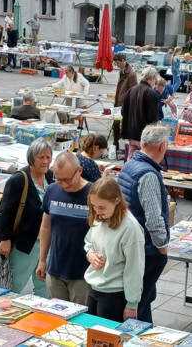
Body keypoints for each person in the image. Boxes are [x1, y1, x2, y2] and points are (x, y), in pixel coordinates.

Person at [116, 125, 171, 323]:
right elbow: (154, 218)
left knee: (141, 299)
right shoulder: (148, 174)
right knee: (140, 302)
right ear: (163, 146)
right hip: (146, 248)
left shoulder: (130, 164)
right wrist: (162, 247)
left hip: (130, 242)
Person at [84, 176, 146, 322]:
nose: (97, 211)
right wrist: (90, 254)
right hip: (94, 288)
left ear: (117, 201)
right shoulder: (100, 218)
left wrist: (132, 304)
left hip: (114, 295)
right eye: (93, 206)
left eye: (101, 207)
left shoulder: (130, 228)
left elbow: (135, 269)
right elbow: (88, 241)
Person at [0, 139, 54, 296]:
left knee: (45, 287)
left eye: (48, 157)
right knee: (14, 286)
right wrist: (5, 238)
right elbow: (5, 210)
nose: (45, 161)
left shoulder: (50, 177)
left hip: (45, 244)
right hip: (25, 244)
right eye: (41, 157)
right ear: (31, 158)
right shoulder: (19, 179)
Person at [36, 152, 92, 305]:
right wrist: (42, 260)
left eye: (67, 179)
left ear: (79, 171)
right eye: (58, 179)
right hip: (55, 270)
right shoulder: (52, 190)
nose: (63, 185)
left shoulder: (93, 194)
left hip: (83, 273)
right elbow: (46, 227)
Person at [121, 67, 161, 159]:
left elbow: (123, 112)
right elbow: (153, 119)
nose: (155, 83)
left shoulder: (131, 90)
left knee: (131, 159)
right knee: (144, 161)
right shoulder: (152, 93)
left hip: (131, 133)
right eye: (155, 80)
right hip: (145, 135)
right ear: (151, 78)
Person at [113, 53, 137, 153]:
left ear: (123, 60)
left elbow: (133, 91)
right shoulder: (122, 71)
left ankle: (122, 147)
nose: (116, 65)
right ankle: (116, 145)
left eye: (117, 62)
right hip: (118, 103)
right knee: (116, 124)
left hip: (124, 105)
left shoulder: (131, 73)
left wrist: (127, 104)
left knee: (122, 125)